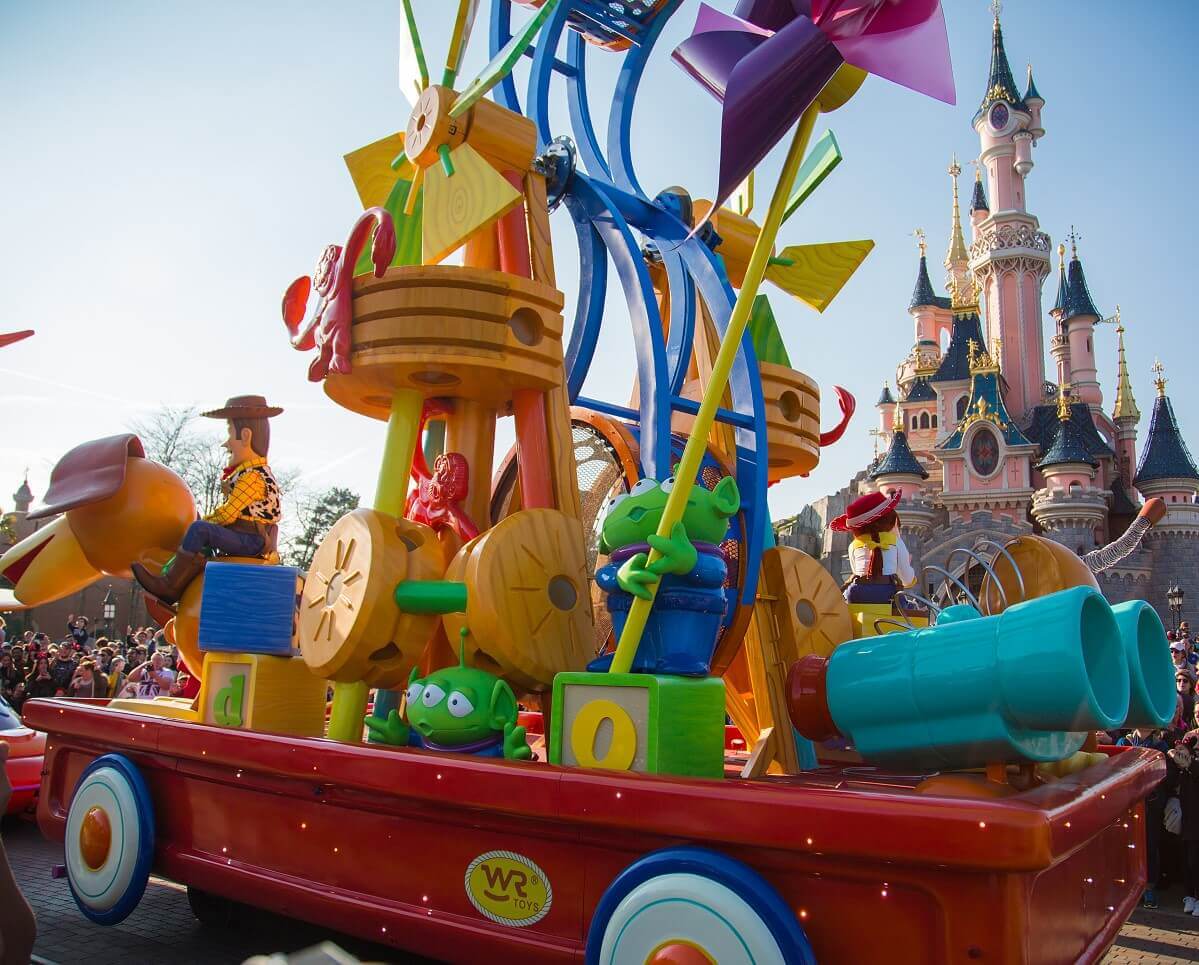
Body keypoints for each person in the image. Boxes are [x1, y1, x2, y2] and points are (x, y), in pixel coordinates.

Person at [132, 395, 284, 605]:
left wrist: (201, 525)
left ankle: (170, 585)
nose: (226, 443)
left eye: (230, 433)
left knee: (200, 530)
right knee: (202, 530)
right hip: (247, 536)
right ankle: (185, 583)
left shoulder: (252, 476)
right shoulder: (250, 472)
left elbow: (229, 513)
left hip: (252, 540)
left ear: (246, 436)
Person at [830, 490, 914, 604]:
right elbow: (907, 579)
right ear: (889, 519)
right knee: (912, 607)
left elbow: (857, 572)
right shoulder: (896, 542)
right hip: (889, 597)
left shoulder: (854, 545)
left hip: (856, 595)